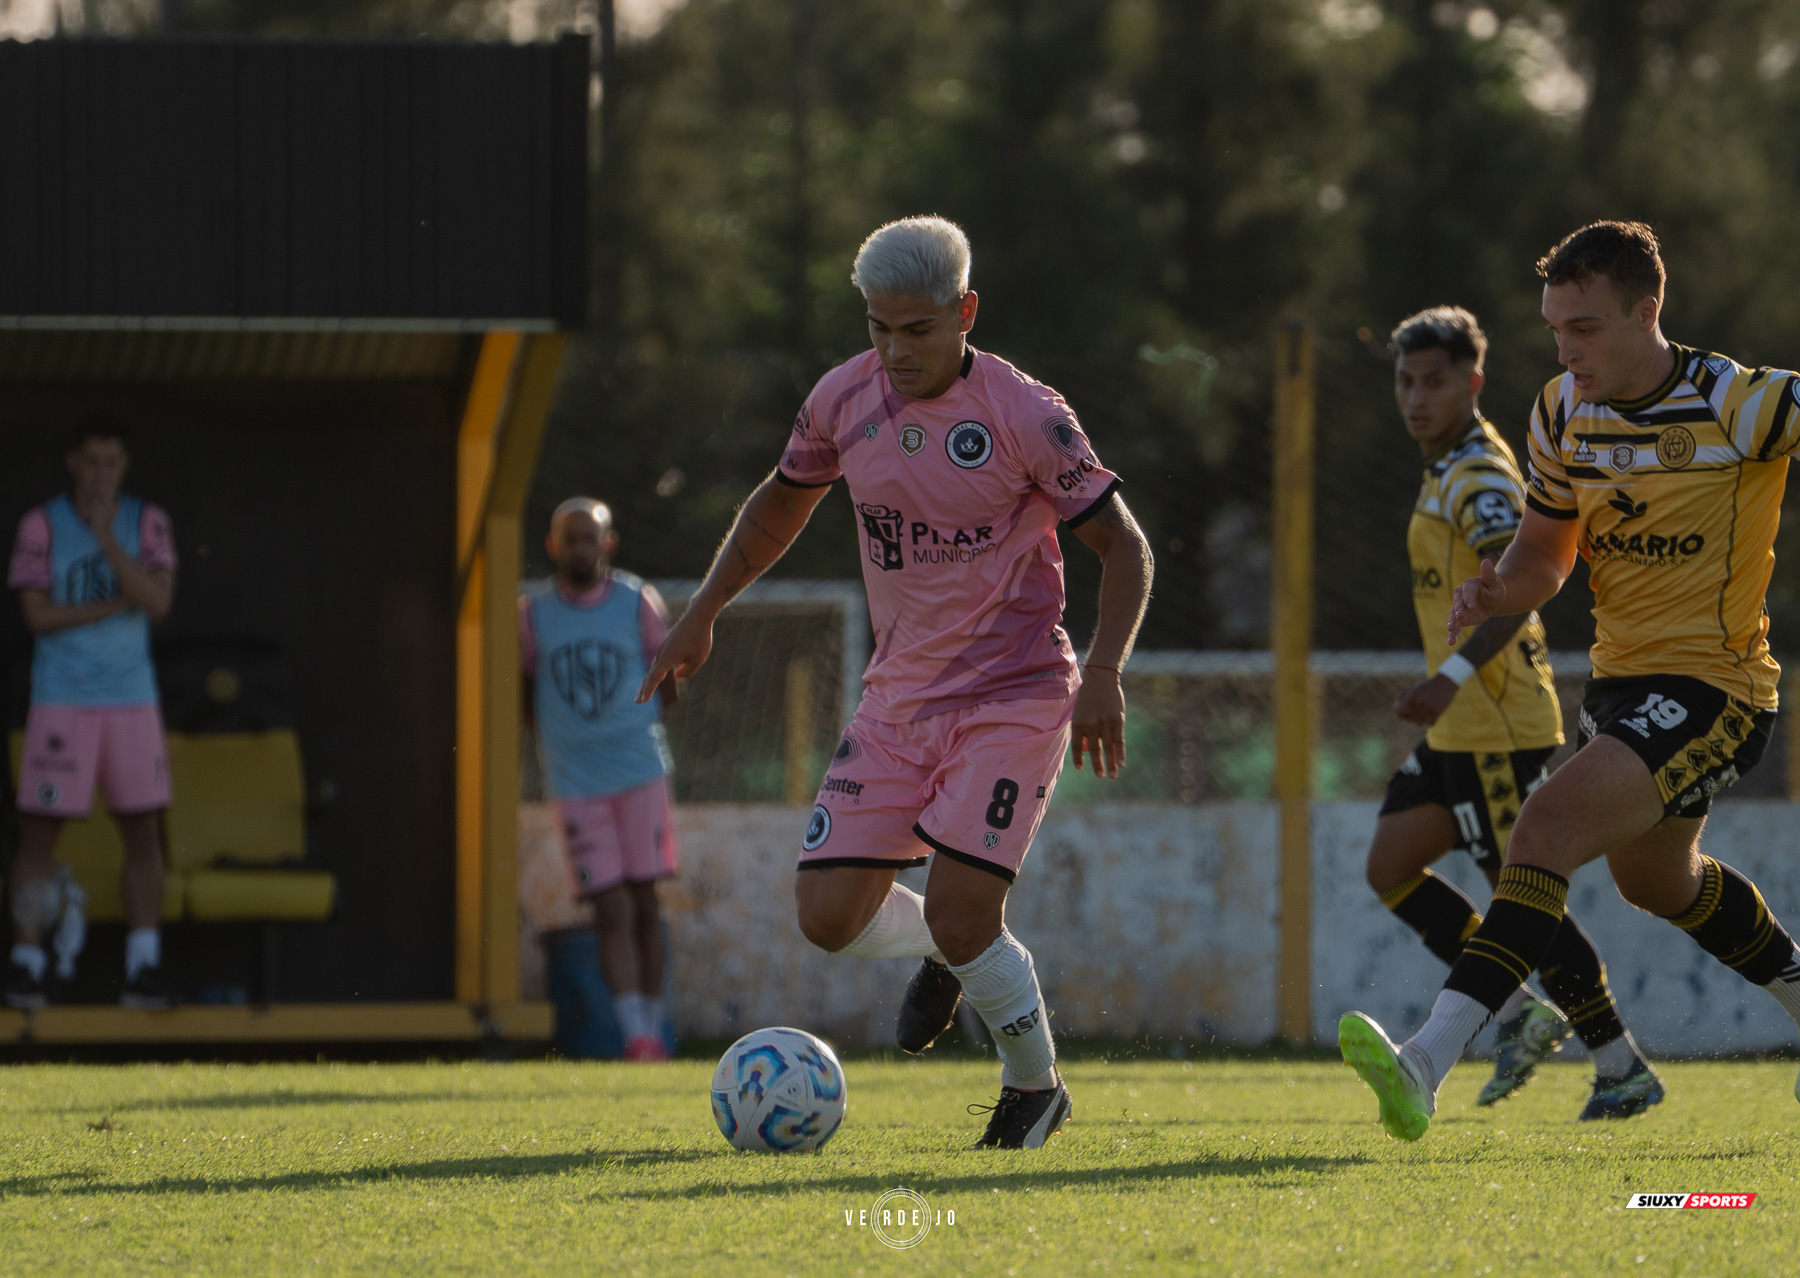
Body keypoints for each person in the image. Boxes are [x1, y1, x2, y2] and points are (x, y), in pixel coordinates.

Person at [638, 216, 1154, 1148]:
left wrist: (1107, 671)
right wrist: (705, 607)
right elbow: (779, 504)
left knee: (965, 909)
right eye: (878, 327)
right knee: (828, 918)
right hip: (899, 699)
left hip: (1016, 691)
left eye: (916, 330)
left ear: (965, 312)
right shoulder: (843, 398)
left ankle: (1033, 1089)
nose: (894, 349)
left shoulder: (1026, 414)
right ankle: (950, 955)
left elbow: (1126, 547)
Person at [1341, 221, 1800, 1141]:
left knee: (1541, 825)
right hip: (1620, 689)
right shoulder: (1559, 410)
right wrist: (1501, 583)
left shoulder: (1741, 403)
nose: (1565, 350)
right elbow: (1549, 552)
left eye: (1585, 328)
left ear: (1647, 313)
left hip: (1719, 686)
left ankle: (1427, 1059)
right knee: (1656, 882)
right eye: (1555, 328)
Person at [1369, 305, 1656, 1120]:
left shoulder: (1481, 474)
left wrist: (1454, 674)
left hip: (1495, 719)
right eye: (1405, 381)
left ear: (1474, 384)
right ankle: (1522, 1010)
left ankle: (1618, 1061)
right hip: (1460, 723)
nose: (1416, 398)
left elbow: (1517, 590)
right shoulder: (1444, 466)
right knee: (1390, 865)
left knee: (1522, 891)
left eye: (1435, 382)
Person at [6, 423, 178, 1009]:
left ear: (125, 464)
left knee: (143, 831)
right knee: (39, 834)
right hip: (62, 697)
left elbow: (157, 602)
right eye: (92, 462)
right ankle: (26, 966)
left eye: (112, 462)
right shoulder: (42, 523)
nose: (101, 473)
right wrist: (112, 603)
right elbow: (37, 617)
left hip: (131, 699)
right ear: (73, 463)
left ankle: (143, 967)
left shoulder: (146, 520)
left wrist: (107, 539)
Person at [521, 498, 680, 1062]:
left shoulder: (637, 602)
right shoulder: (533, 616)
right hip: (576, 784)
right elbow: (525, 692)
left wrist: (634, 730)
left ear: (608, 543)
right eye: (570, 538)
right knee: (609, 907)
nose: (580, 548)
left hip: (639, 773)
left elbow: (668, 677)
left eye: (590, 538)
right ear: (552, 545)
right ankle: (633, 1034)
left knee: (643, 900)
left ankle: (655, 1029)